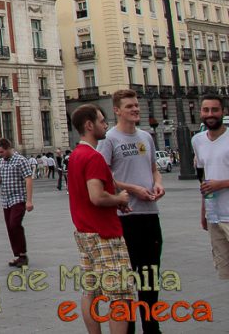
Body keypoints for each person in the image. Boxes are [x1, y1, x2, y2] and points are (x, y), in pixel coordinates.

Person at [96, 89, 165, 333]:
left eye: (136, 105)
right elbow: (103, 178)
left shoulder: (146, 137)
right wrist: (132, 188)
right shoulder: (109, 139)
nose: (135, 109)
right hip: (124, 219)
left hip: (150, 215)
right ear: (116, 110)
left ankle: (152, 328)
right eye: (129, 106)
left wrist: (158, 183)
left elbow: (154, 168)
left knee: (150, 279)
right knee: (126, 282)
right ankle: (128, 329)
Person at [67, 104, 135, 334]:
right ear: (89, 125)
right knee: (120, 296)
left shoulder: (75, 155)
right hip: (104, 234)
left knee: (91, 291)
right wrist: (119, 198)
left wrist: (115, 202)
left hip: (84, 232)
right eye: (102, 120)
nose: (105, 124)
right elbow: (97, 196)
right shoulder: (94, 157)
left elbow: (86, 196)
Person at [193, 94, 229, 280]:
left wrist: (221, 184)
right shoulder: (197, 141)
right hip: (214, 216)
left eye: (215, 109)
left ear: (223, 111)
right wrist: (203, 211)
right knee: (224, 271)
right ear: (200, 113)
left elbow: (213, 183)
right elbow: (203, 179)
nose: (210, 114)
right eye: (206, 110)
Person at [0, 137, 34, 267]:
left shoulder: (21, 160)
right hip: (6, 199)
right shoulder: (1, 163)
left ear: (9, 148)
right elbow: (1, 181)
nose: (0, 155)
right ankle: (18, 254)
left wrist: (29, 200)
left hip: (18, 198)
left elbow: (28, 179)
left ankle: (23, 255)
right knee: (10, 227)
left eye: (2, 152)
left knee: (15, 224)